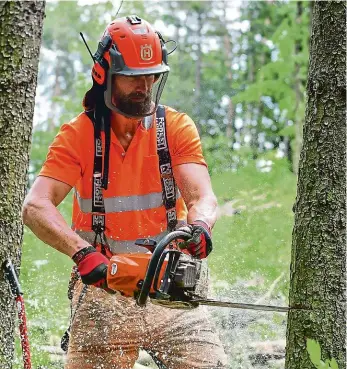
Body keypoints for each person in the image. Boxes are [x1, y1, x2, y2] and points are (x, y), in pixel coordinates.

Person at [22, 15, 227, 369]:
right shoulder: (78, 135)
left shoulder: (175, 127)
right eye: (134, 77)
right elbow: (36, 206)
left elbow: (202, 197)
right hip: (104, 293)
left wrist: (202, 225)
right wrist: (82, 253)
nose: (144, 86)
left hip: (172, 286)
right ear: (106, 75)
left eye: (151, 76)